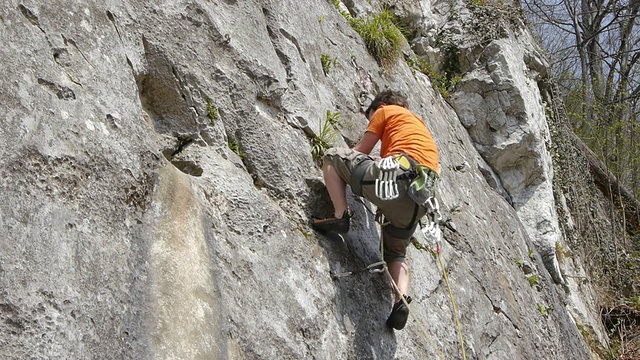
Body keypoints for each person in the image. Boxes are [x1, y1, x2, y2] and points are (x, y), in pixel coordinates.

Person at [310, 90, 440, 330]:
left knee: (332, 156)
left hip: (398, 178)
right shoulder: (418, 127)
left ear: (380, 104)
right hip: (420, 200)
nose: (371, 120)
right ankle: (400, 298)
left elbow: (361, 150)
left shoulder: (384, 111)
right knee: (396, 253)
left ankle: (340, 215)